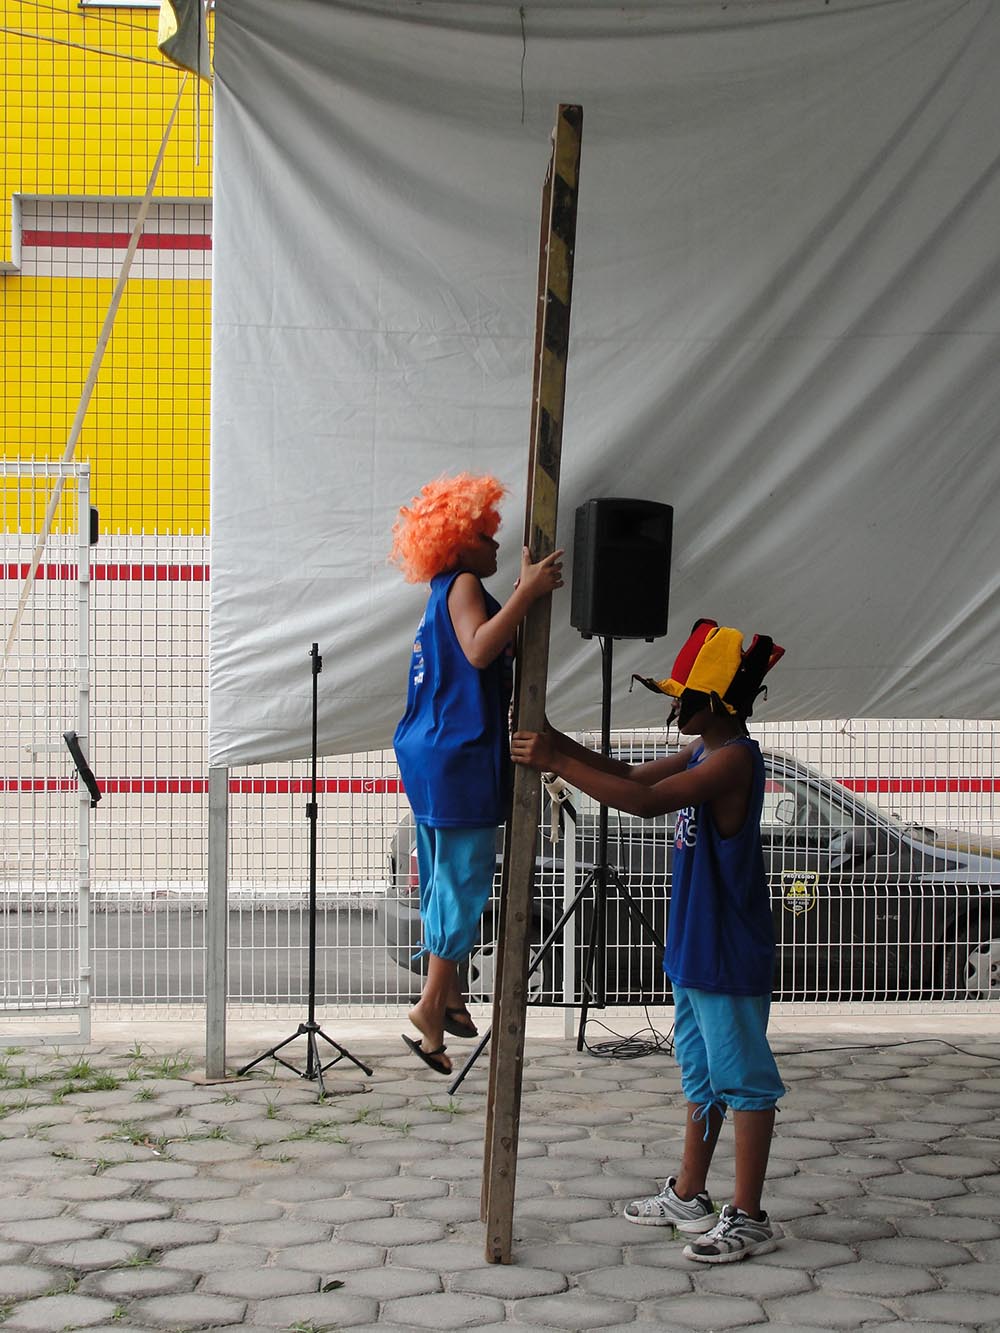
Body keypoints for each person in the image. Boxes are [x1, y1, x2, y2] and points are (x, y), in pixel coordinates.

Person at [511, 618, 787, 1262]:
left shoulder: (734, 759)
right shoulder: (703, 751)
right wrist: (554, 739)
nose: (675, 708)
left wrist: (556, 761)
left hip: (726, 951)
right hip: (697, 947)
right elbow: (632, 777)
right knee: (701, 1075)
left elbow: (642, 803)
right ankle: (690, 1194)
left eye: (685, 697)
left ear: (719, 703)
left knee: (744, 1081)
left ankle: (749, 1216)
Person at [391, 473, 563, 1076]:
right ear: (459, 541)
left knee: (443, 878)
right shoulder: (464, 584)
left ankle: (450, 999)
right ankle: (430, 1004)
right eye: (487, 537)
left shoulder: (445, 589)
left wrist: (515, 599)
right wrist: (528, 592)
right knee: (463, 881)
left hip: (431, 751)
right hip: (459, 753)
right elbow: (479, 650)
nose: (495, 546)